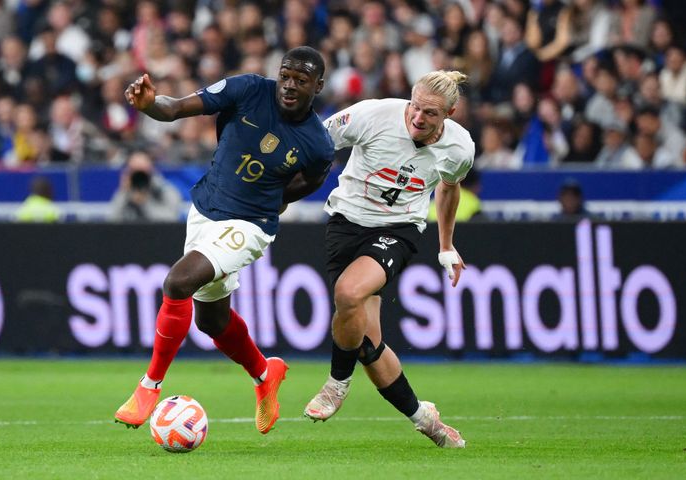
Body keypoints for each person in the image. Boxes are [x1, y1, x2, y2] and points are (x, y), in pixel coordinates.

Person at [114, 46, 335, 435]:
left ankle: (149, 387)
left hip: (250, 225)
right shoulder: (248, 89)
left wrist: (277, 199)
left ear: (318, 86)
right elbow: (176, 107)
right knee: (212, 322)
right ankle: (265, 373)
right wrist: (149, 104)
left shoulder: (317, 142)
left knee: (178, 282)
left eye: (301, 81)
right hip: (205, 209)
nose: (289, 85)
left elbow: (314, 178)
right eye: (285, 75)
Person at [304, 70, 474, 448]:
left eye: (430, 113)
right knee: (367, 344)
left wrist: (446, 245)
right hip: (345, 224)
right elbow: (315, 139)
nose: (418, 117)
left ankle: (336, 384)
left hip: (397, 231)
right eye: (415, 106)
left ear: (450, 112)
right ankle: (425, 420)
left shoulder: (460, 147)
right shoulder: (372, 115)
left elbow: (449, 188)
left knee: (348, 294)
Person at [108, 151, 184, 222]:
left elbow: (171, 218)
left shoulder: (165, 190)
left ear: (151, 170)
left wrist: (144, 202)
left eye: (142, 171)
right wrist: (124, 192)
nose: (139, 177)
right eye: (134, 171)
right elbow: (113, 219)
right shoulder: (126, 192)